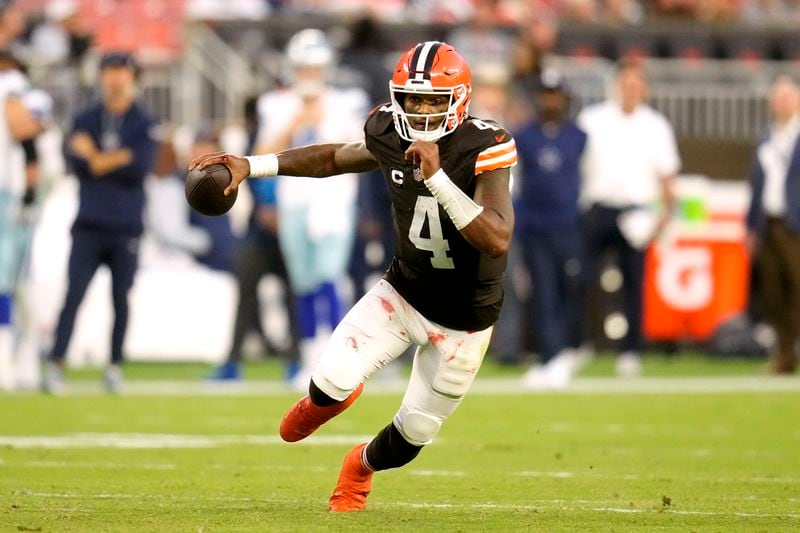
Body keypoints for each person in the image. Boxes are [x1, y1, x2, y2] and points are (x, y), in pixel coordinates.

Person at [190, 41, 516, 512]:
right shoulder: (388, 129)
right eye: (412, 99)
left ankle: (359, 467)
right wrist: (253, 165)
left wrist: (439, 179)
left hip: (466, 318)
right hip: (404, 292)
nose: (421, 110)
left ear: (459, 100)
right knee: (332, 381)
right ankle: (318, 403)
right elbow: (335, 158)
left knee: (415, 433)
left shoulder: (485, 145)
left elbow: (497, 238)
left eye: (432, 100)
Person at [252, 29, 368, 389]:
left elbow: (364, 147)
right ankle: (308, 357)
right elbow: (258, 155)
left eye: (315, 68)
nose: (309, 76)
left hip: (333, 202)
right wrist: (294, 124)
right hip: (294, 202)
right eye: (304, 68)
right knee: (302, 282)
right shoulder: (277, 104)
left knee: (329, 277)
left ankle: (337, 360)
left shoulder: (347, 101)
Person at [42, 51, 158, 394]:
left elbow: (138, 167)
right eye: (110, 70)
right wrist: (114, 158)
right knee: (73, 296)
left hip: (126, 225)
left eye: (122, 70)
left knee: (121, 299)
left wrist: (94, 156)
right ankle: (56, 362)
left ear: (133, 76)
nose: (115, 77)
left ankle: (114, 365)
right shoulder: (86, 117)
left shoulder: (143, 120)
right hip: (89, 223)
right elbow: (75, 163)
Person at [576, 59, 680, 377]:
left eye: (637, 85)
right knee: (582, 280)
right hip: (596, 208)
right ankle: (578, 344)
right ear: (615, 85)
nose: (630, 90)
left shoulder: (656, 125)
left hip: (637, 212)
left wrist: (664, 217)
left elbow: (667, 178)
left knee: (634, 284)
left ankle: (631, 351)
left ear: (645, 89)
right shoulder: (592, 120)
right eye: (626, 83)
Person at [514, 70, 587, 389]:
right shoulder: (523, 135)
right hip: (535, 226)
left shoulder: (579, 136)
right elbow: (513, 180)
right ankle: (549, 356)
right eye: (546, 94)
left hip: (568, 224)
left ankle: (570, 349)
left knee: (570, 289)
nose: (550, 100)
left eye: (555, 94)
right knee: (543, 292)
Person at [746, 75, 800, 374]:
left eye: (787, 97)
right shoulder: (767, 137)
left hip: (796, 224)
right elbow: (755, 186)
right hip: (769, 223)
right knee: (775, 293)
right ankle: (785, 356)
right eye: (777, 98)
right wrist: (751, 226)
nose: (782, 103)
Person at [0, 52, 48, 391]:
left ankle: (14, 358)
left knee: (11, 281)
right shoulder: (13, 85)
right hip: (10, 194)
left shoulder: (12, 84)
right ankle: (14, 359)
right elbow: (25, 130)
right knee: (11, 281)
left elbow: (25, 137)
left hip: (10, 194)